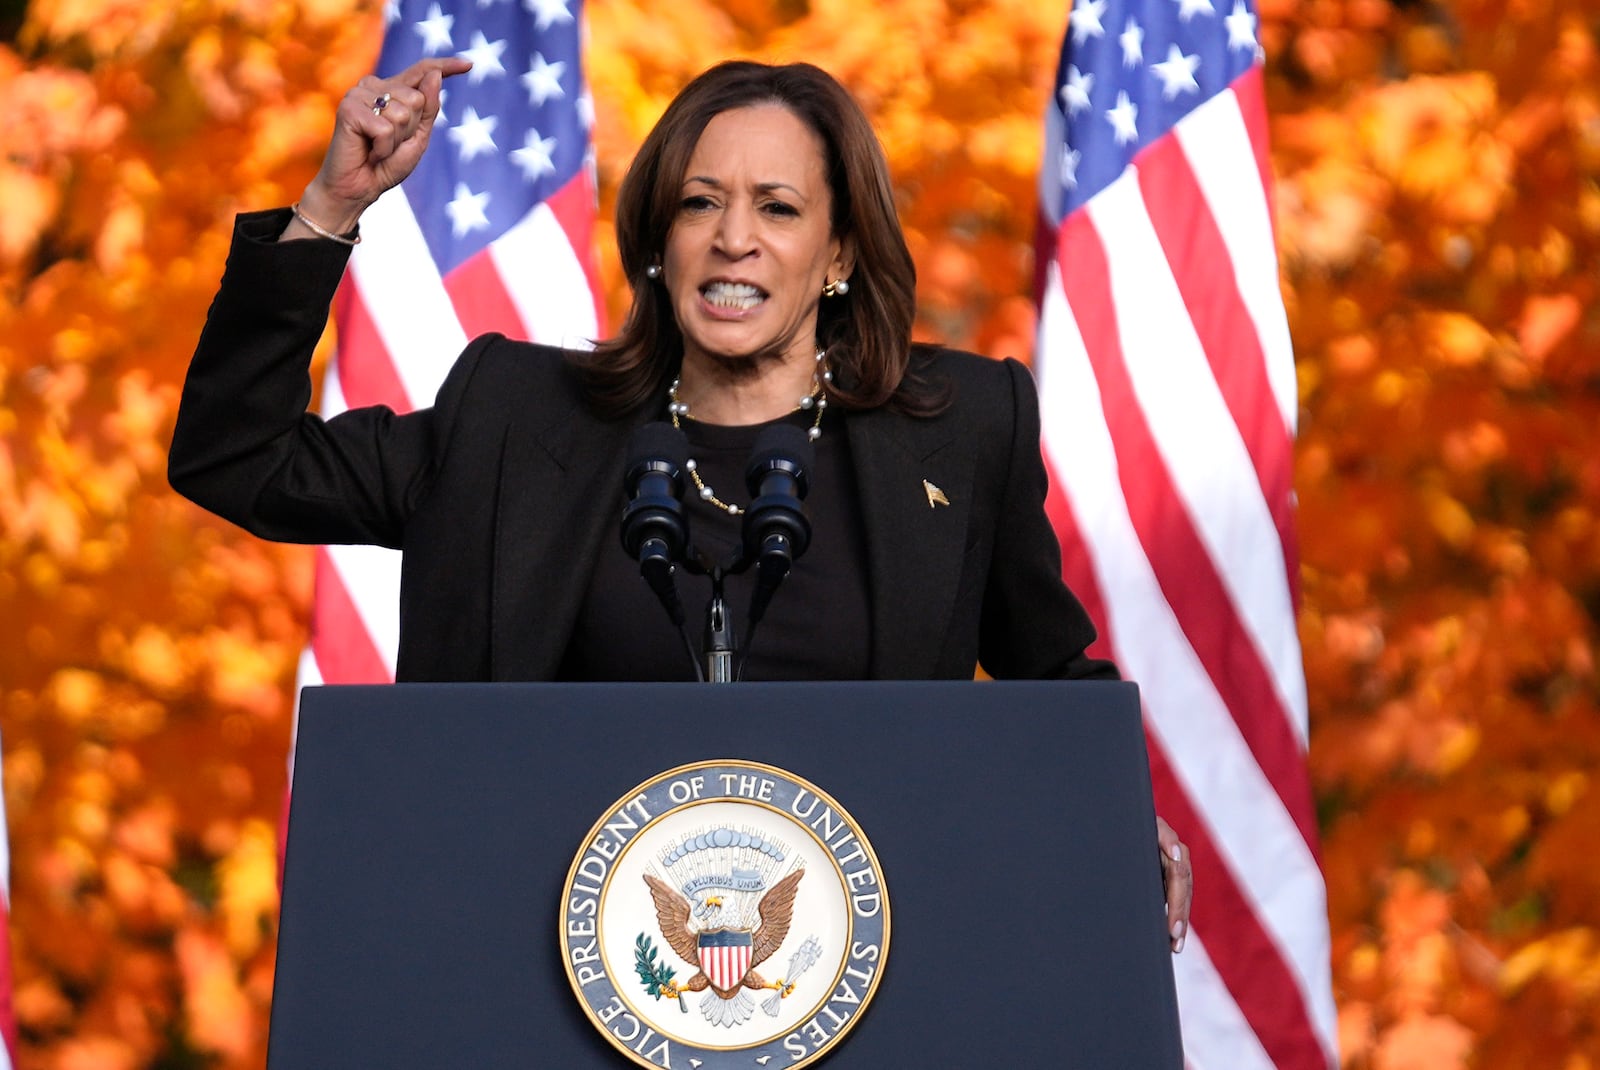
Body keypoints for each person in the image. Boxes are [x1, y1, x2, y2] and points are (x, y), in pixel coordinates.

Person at [168, 57, 1192, 951]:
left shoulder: (961, 429)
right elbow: (239, 456)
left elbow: (1049, 674)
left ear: (839, 255)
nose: (733, 238)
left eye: (778, 208)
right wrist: (329, 207)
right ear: (659, 238)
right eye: (700, 203)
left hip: (859, 977)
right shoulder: (514, 419)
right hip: (531, 967)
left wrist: (1112, 798)